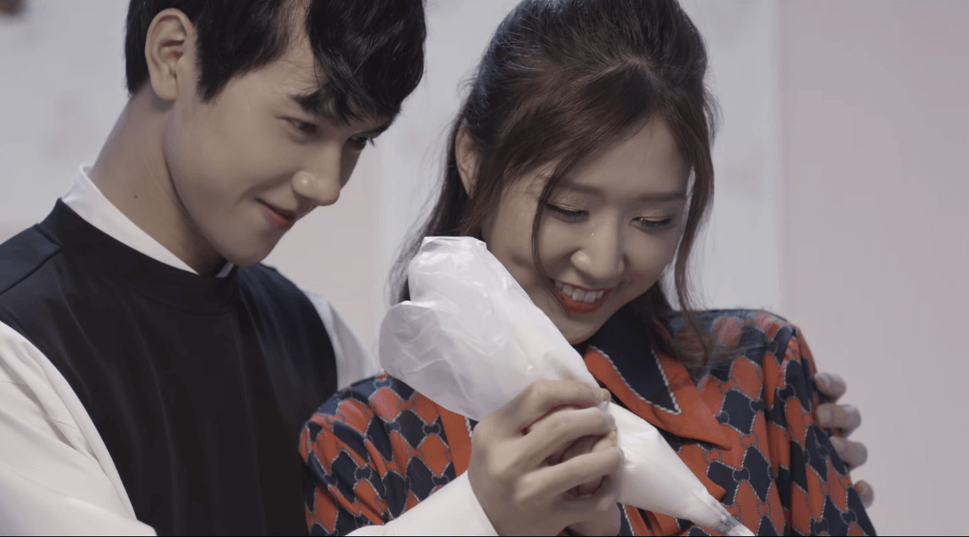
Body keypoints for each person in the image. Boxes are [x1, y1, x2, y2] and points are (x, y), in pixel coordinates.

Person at [299, 0, 876, 535]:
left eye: (652, 220)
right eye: (569, 209)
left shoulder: (758, 373)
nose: (602, 261)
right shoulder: (363, 443)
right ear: (474, 160)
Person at [0, 0, 426, 533]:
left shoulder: (318, 336)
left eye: (358, 140)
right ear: (173, 55)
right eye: (303, 124)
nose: (327, 186)